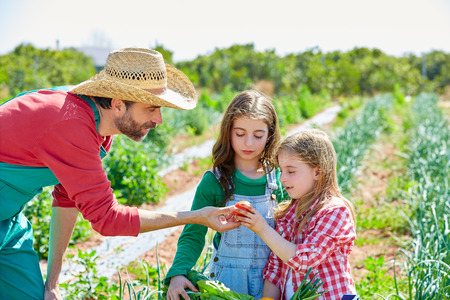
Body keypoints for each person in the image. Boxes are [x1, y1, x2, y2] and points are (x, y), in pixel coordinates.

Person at [0, 48, 239, 300]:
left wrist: (52, 285)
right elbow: (108, 219)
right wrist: (196, 216)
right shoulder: (70, 122)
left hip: (8, 221)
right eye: (150, 108)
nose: (159, 120)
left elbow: (66, 197)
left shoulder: (100, 129)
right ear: (117, 104)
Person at [164, 90, 289, 300]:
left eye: (258, 135)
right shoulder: (215, 182)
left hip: (273, 285)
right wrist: (178, 273)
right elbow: (193, 233)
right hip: (226, 284)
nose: (248, 143)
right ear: (228, 132)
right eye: (240, 134)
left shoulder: (281, 180)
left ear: (270, 135)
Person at [237, 129, 357, 300]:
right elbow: (275, 267)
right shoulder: (289, 213)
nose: (282, 178)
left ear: (317, 172)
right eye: (281, 170)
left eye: (291, 171)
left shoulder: (334, 212)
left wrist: (262, 229)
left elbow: (305, 260)